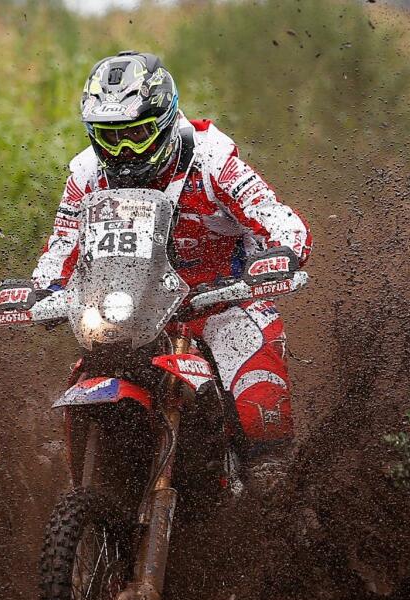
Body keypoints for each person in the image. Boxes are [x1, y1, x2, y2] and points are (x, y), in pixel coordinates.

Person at [32, 51, 311, 491]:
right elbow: (64, 243)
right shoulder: (87, 172)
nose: (122, 150)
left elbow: (278, 218)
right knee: (89, 365)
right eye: (109, 136)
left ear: (164, 120)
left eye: (137, 134)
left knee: (259, 403)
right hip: (134, 311)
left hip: (222, 300)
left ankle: (277, 501)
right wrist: (40, 288)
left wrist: (283, 253)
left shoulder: (211, 158)